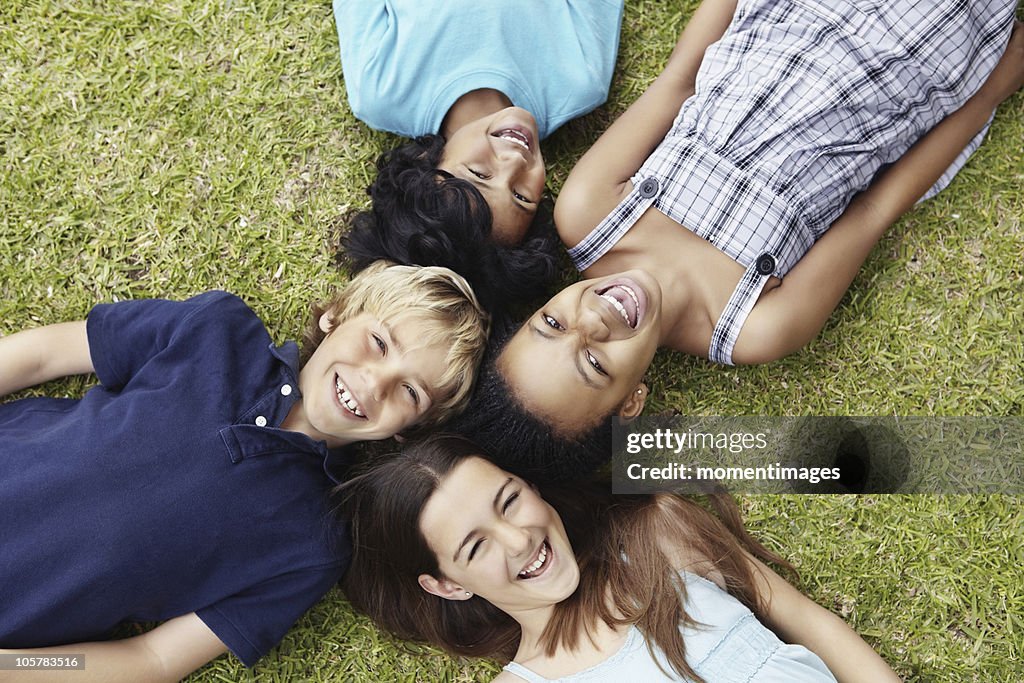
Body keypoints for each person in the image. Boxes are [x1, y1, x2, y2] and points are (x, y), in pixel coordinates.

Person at [452, 0, 1024, 479]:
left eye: (551, 326)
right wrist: (994, 87)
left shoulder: (592, 213)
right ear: (632, 403)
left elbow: (681, 78)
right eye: (595, 365)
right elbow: (877, 208)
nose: (592, 324)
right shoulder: (754, 327)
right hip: (925, 55)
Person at [0, 263, 488, 682]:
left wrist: (16, 670)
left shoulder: (316, 543)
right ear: (334, 316)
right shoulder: (215, 330)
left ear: (409, 431)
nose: (375, 381)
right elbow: (47, 352)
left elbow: (153, 659)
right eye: (379, 342)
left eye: (410, 392)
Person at [337, 435, 901, 682]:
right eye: (475, 546)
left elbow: (805, 621)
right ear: (448, 585)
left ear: (531, 485)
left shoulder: (655, 533)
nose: (519, 539)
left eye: (510, 501)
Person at [333, 0, 625, 321]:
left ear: (423, 163)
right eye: (521, 196)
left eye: (479, 173)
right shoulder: (579, 79)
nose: (513, 163)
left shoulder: (381, 91)